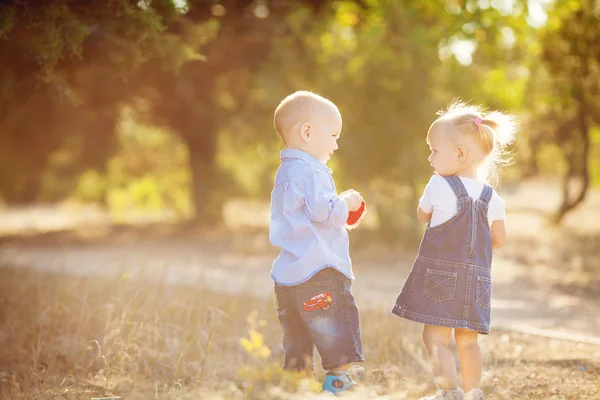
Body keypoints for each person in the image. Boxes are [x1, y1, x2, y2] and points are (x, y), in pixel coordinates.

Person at [392, 100, 517, 400]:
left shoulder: (438, 185)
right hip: (477, 282)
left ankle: (449, 392)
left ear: (460, 154)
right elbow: (498, 239)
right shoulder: (492, 197)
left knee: (434, 337)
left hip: (441, 278)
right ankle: (474, 392)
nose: (430, 157)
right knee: (468, 342)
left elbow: (423, 215)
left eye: (434, 151)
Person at [269, 91, 366, 394]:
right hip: (321, 273)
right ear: (308, 132)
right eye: (334, 135)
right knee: (337, 344)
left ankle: (296, 391)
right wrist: (347, 202)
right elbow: (325, 212)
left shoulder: (285, 172)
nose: (336, 144)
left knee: (297, 348)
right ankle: (341, 390)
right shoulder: (313, 170)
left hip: (288, 280)